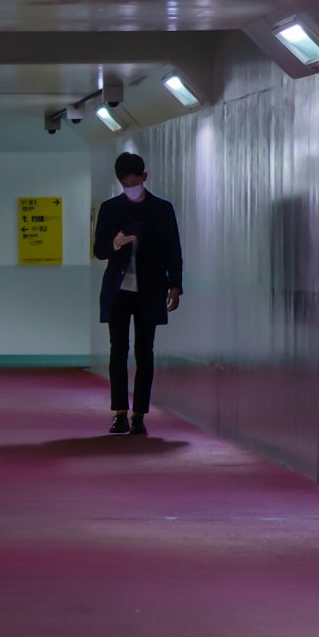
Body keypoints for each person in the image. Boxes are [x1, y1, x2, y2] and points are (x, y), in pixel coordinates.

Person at [93, 152, 183, 435]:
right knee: (118, 351)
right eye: (126, 183)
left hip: (151, 288)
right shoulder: (110, 209)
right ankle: (120, 412)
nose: (131, 188)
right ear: (120, 181)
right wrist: (115, 243)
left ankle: (140, 413)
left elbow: (173, 249)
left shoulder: (162, 209)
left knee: (146, 352)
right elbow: (99, 251)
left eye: (135, 182)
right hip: (118, 290)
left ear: (145, 177)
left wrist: (176, 285)